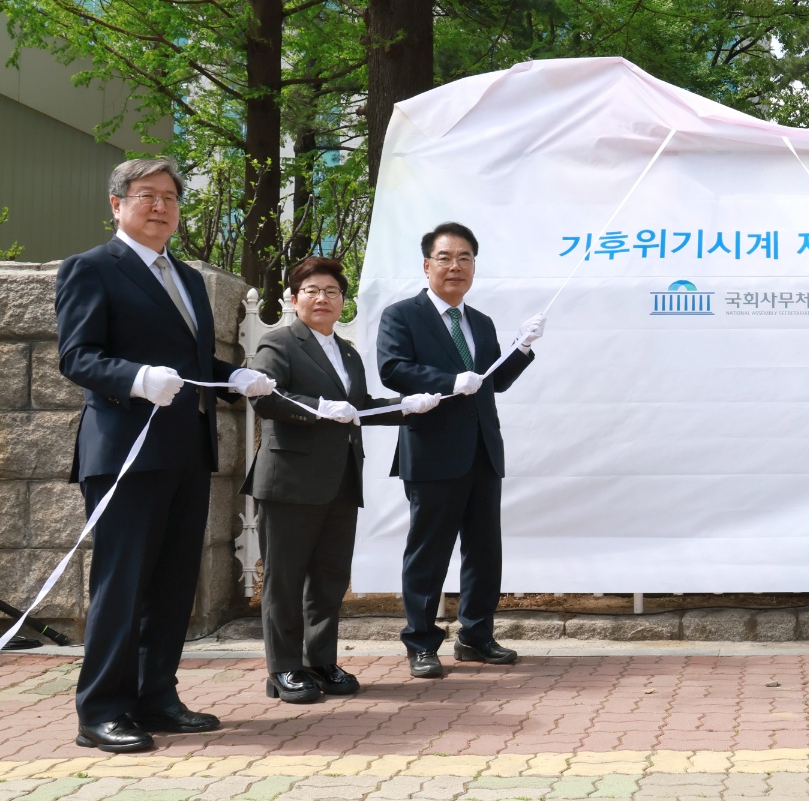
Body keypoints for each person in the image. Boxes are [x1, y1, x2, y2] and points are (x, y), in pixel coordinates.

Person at [55, 157, 276, 753]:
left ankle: (156, 696)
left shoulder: (186, 278)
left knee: (174, 584)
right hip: (126, 451)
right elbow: (78, 356)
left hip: (186, 450)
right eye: (146, 195)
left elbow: (195, 365)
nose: (160, 206)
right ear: (116, 204)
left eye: (170, 197)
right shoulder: (91, 269)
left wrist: (236, 378)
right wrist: (134, 377)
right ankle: (101, 709)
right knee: (122, 585)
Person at [244, 257, 443, 703]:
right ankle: (284, 669)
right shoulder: (279, 343)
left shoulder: (347, 351)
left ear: (341, 301)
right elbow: (268, 397)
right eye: (312, 290)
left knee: (330, 578)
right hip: (290, 481)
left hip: (340, 480)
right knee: (285, 579)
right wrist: (317, 407)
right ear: (294, 299)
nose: (322, 299)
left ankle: (321, 661)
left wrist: (406, 407)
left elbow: (360, 406)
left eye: (331, 292)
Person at [377, 222, 545, 678]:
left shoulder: (481, 322)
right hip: (431, 452)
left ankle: (475, 635)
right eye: (446, 257)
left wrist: (521, 349)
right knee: (429, 552)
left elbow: (496, 381)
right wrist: (448, 381)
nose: (456, 266)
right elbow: (393, 369)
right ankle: (421, 643)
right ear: (427, 264)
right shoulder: (402, 315)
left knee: (484, 550)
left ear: (474, 266)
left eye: (465, 258)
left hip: (482, 451)